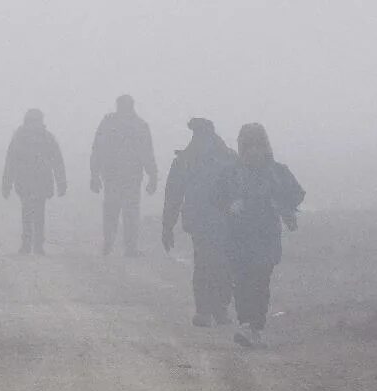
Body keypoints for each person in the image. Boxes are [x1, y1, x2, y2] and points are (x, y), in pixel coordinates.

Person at [209, 122, 305, 348]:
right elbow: (215, 197)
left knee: (260, 281)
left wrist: (282, 206)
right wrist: (229, 205)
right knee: (242, 282)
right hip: (238, 237)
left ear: (265, 146)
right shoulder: (231, 173)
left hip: (266, 237)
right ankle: (246, 325)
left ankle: (255, 327)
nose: (253, 151)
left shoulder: (277, 172)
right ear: (242, 148)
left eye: (258, 145)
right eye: (248, 146)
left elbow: (297, 193)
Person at [160, 117, 238, 325]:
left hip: (223, 221)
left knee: (219, 265)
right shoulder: (188, 160)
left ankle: (217, 309)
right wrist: (167, 226)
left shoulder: (227, 159)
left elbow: (243, 190)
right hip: (204, 222)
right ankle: (208, 310)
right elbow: (173, 195)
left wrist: (168, 226)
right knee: (209, 264)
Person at [89, 94, 157, 256]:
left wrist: (95, 174)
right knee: (125, 212)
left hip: (120, 177)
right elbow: (98, 149)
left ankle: (116, 245)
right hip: (123, 177)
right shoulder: (138, 125)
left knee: (119, 212)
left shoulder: (110, 124)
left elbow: (98, 150)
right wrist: (152, 176)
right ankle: (122, 246)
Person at [1, 108, 67, 254]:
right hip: (28, 183)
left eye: (36, 121)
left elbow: (57, 161)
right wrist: (6, 184)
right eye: (33, 121)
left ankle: (35, 244)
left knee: (36, 213)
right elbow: (11, 162)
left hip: (37, 183)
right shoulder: (39, 138)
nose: (35, 124)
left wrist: (62, 182)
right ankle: (30, 243)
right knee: (30, 213)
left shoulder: (39, 138)